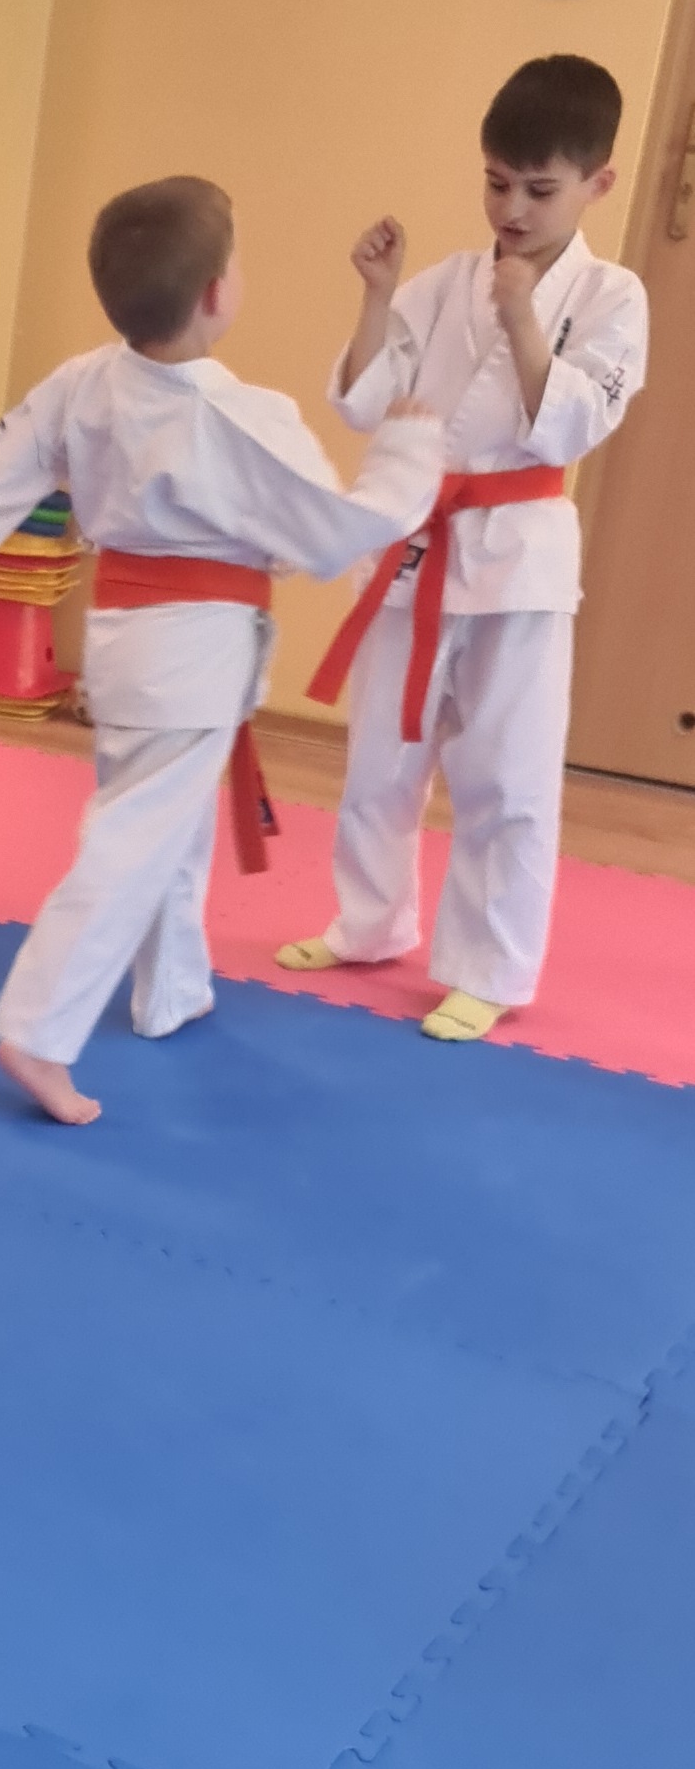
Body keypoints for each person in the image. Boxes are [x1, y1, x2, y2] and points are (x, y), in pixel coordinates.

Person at [0, 176, 441, 1125]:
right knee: (132, 842)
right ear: (216, 293)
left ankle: (171, 989)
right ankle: (41, 1031)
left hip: (124, 646)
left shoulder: (83, 384)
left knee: (167, 824)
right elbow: (337, 533)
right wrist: (408, 452)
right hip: (193, 658)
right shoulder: (240, 415)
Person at [276, 53, 648, 1038]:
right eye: (495, 182)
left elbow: (573, 425)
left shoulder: (610, 296)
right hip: (413, 543)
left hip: (519, 562)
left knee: (504, 775)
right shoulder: (444, 282)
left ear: (598, 183)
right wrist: (376, 293)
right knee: (378, 760)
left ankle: (487, 967)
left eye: (539, 189)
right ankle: (367, 924)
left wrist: (523, 319)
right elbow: (365, 399)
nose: (511, 208)